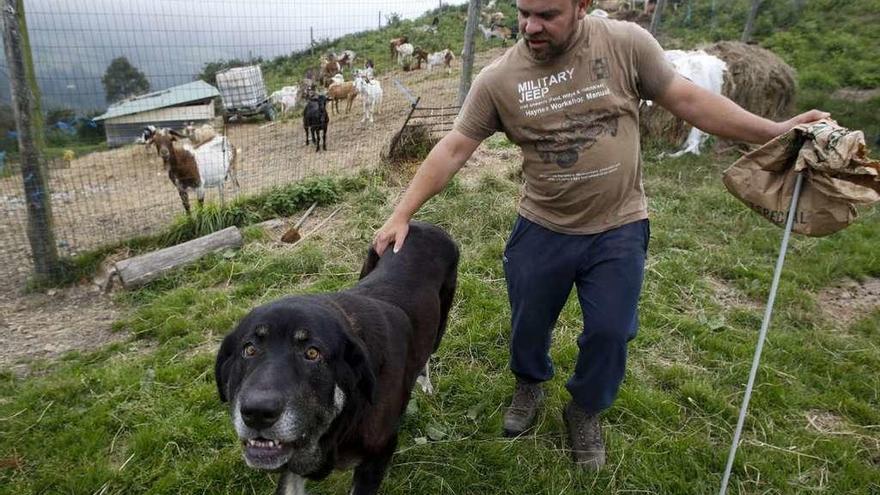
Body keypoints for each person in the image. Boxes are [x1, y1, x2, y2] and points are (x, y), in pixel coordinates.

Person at [373, 0, 828, 470]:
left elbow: (688, 99)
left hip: (619, 225)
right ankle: (529, 383)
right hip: (542, 226)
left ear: (582, 6)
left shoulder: (626, 45)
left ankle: (585, 408)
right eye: (523, 12)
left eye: (547, 14)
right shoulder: (499, 80)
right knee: (528, 326)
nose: (531, 26)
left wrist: (774, 131)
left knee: (611, 332)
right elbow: (453, 148)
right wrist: (401, 213)